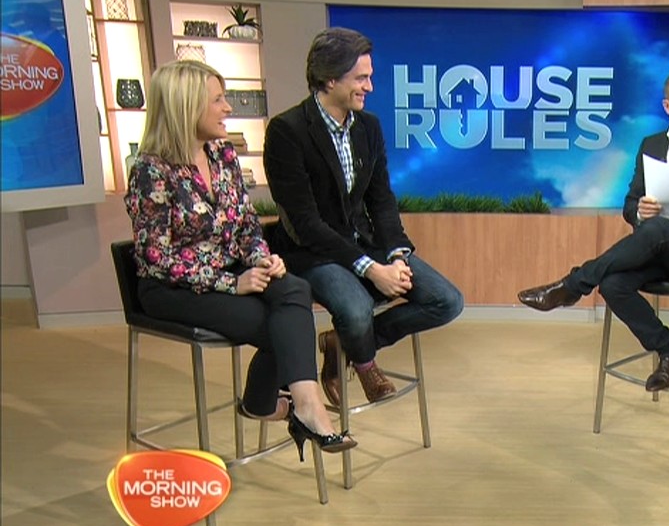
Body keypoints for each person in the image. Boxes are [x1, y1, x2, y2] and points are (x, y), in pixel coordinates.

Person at [123, 60, 356, 461]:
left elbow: (246, 224)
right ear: (186, 106)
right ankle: (266, 404)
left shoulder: (222, 154)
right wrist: (232, 283)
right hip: (172, 287)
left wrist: (262, 260)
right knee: (282, 326)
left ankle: (305, 406)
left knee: (294, 289)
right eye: (218, 100)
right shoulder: (150, 171)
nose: (227, 108)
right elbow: (156, 258)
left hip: (230, 267)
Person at [518, 67, 669, 392]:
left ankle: (572, 284)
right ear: (668, 106)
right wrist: (640, 211)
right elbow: (630, 204)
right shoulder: (652, 145)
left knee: (656, 229)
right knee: (613, 283)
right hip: (660, 249)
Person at [263, 27, 464, 408]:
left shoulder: (368, 127)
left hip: (364, 241)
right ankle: (365, 360)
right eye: (361, 78)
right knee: (355, 309)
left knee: (447, 300)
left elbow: (381, 200)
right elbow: (305, 224)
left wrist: (396, 256)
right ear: (329, 78)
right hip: (313, 252)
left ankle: (345, 345)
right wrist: (372, 270)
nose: (369, 87)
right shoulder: (287, 132)